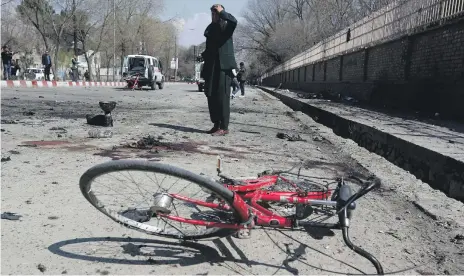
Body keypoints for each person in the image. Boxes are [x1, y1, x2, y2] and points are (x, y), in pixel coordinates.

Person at [201, 4, 238, 136]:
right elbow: (211, 48)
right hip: (211, 67)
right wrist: (203, 56)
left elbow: (234, 21)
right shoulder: (211, 29)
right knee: (211, 95)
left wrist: (223, 12)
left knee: (222, 97)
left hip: (224, 67)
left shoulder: (227, 27)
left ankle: (224, 126)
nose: (214, 16)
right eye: (212, 13)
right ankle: (216, 124)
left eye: (216, 13)